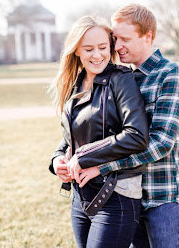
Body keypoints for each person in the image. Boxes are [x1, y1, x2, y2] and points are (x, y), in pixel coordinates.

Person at [74, 4, 179, 247]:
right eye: (115, 39)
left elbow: (161, 144)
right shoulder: (121, 78)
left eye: (125, 39)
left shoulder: (170, 75)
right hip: (127, 195)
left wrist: (103, 166)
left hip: (163, 196)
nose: (117, 47)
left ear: (148, 36)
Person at [48, 16, 149, 248]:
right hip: (80, 198)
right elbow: (69, 137)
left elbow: (136, 135)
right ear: (76, 51)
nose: (97, 55)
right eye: (89, 49)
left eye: (103, 47)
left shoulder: (121, 79)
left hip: (117, 196)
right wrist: (57, 160)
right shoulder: (76, 83)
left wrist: (83, 157)